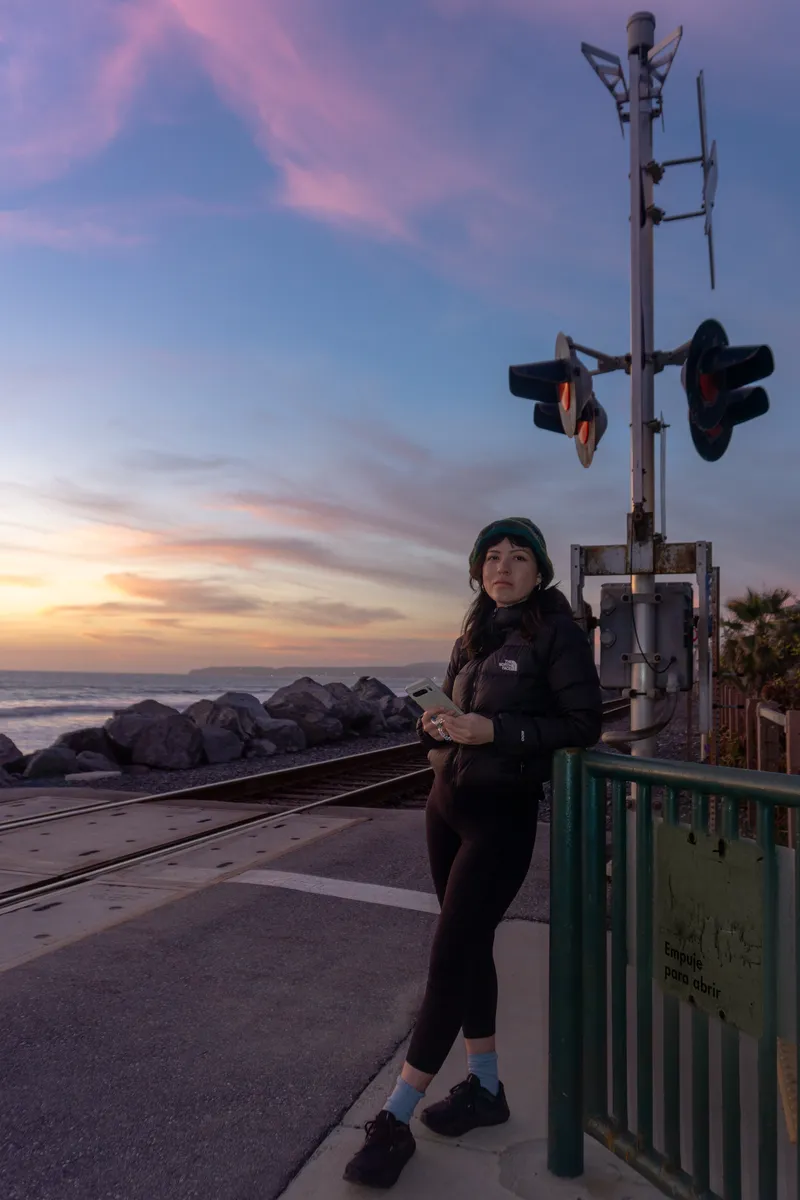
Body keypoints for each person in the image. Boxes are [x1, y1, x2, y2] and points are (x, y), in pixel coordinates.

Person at [343, 517, 603, 1189]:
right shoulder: (474, 633)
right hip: (446, 807)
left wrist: (497, 730)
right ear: (478, 570)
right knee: (470, 948)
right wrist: (434, 734)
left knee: (449, 959)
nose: (503, 567)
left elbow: (582, 725)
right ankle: (485, 1089)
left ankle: (396, 1117)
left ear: (539, 571)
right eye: (492, 557)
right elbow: (454, 721)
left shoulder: (558, 633)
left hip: (500, 818)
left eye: (518, 557)